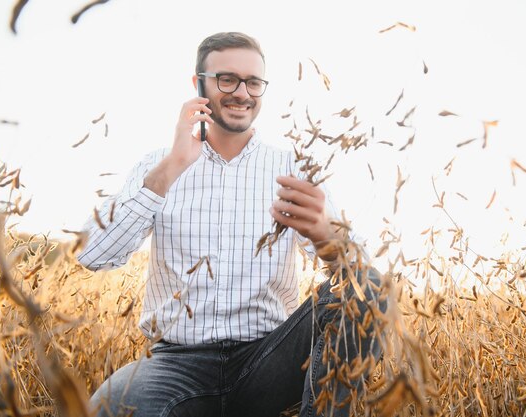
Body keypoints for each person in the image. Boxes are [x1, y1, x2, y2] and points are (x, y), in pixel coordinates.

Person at [78, 31, 386, 417]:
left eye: (253, 82)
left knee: (369, 287)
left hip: (268, 358)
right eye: (227, 79)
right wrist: (172, 166)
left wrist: (328, 238)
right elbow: (91, 254)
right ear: (199, 84)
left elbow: (363, 279)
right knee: (107, 409)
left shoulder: (292, 168)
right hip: (176, 366)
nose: (242, 92)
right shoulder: (158, 165)